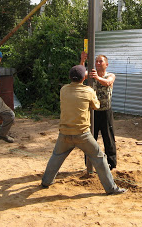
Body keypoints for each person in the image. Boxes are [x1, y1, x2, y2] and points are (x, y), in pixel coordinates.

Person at [41, 65, 126, 195]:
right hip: (82, 134)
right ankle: (111, 188)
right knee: (100, 158)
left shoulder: (63, 90)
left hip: (64, 133)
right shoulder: (88, 91)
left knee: (56, 157)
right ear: (83, 78)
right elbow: (96, 106)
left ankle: (46, 181)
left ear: (70, 77)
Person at [80, 51, 117, 170]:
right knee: (90, 139)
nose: (98, 63)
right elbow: (80, 74)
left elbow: (108, 83)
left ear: (106, 64)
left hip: (106, 112)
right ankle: (89, 164)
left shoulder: (110, 75)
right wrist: (82, 60)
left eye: (101, 61)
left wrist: (96, 77)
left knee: (108, 138)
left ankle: (111, 164)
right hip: (92, 113)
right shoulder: (91, 75)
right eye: (96, 61)